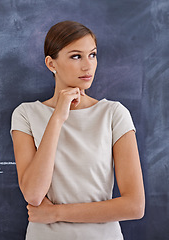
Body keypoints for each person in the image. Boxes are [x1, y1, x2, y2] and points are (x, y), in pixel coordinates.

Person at [10, 21, 145, 240]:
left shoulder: (113, 113)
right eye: (76, 56)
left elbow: (134, 206)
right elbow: (34, 195)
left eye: (92, 55)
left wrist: (55, 213)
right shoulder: (25, 114)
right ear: (51, 63)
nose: (88, 66)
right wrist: (57, 118)